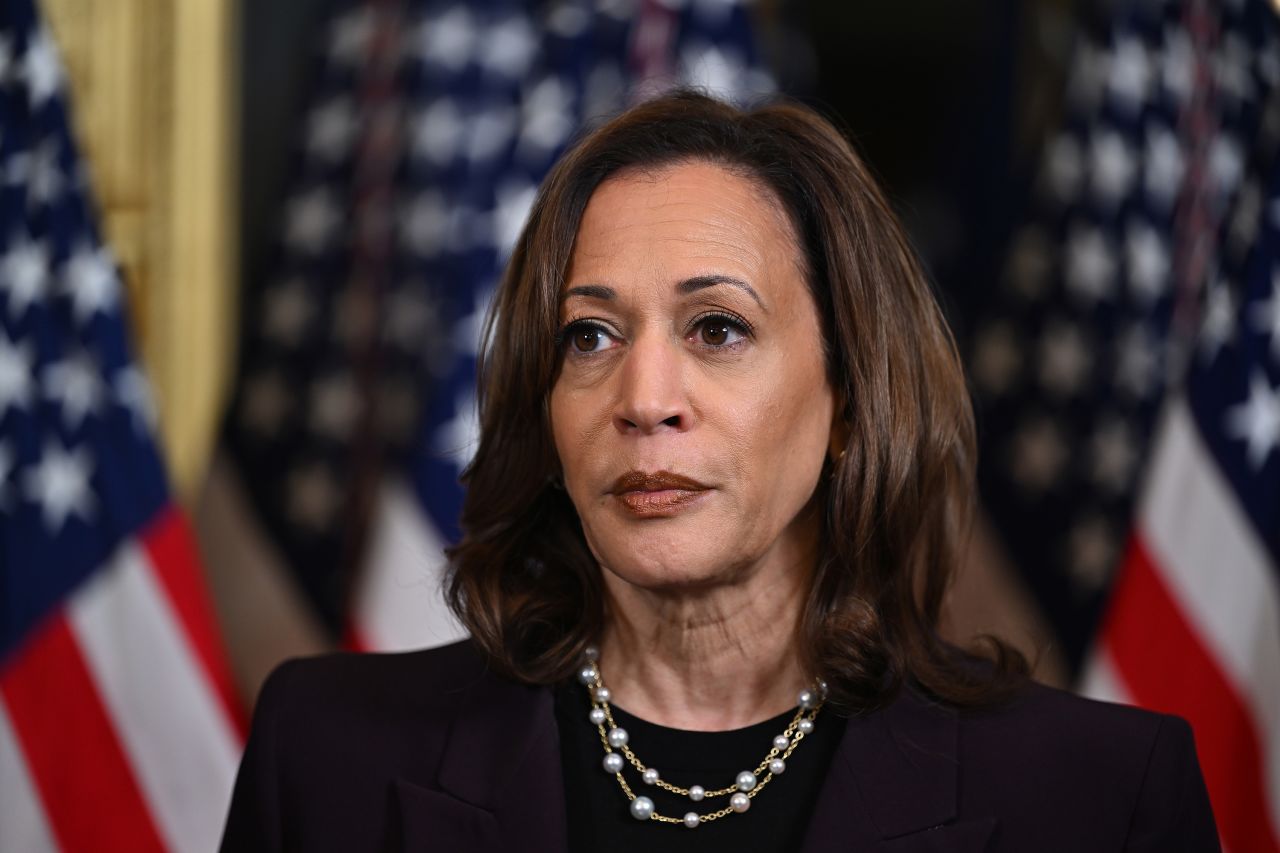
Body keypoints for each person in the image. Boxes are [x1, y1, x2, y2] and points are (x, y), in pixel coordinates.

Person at [220, 90, 1220, 852]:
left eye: (717, 327)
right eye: (589, 336)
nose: (643, 396)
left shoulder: (1099, 796)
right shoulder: (326, 757)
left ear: (849, 403)